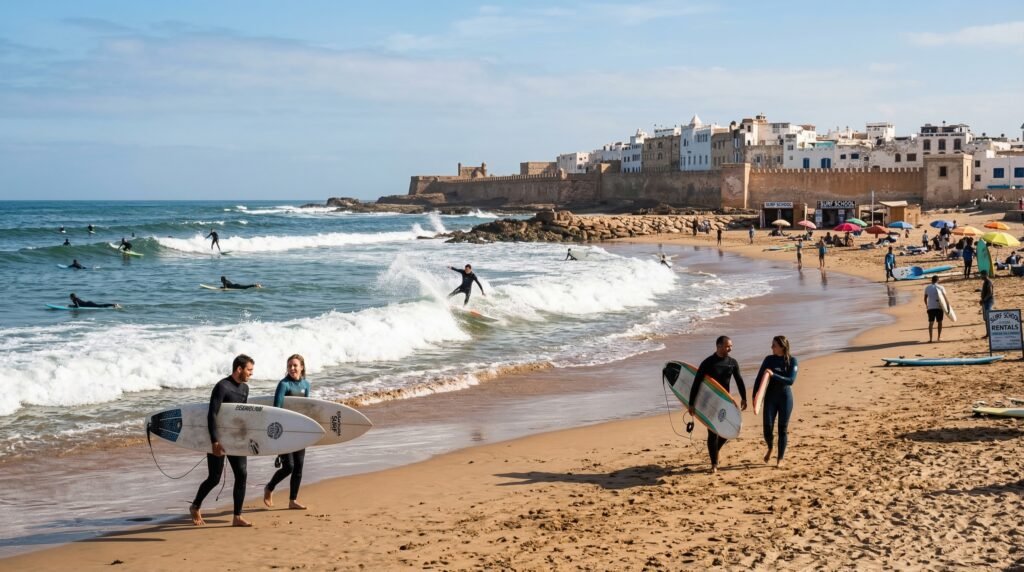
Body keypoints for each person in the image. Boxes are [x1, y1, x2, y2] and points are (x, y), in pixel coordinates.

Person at [190, 354, 253, 527]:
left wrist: (245, 438)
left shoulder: (245, 389)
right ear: (239, 369)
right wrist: (215, 441)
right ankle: (195, 506)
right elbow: (212, 415)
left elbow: (242, 416)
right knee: (215, 477)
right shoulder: (222, 387)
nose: (251, 374)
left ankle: (237, 516)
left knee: (242, 474)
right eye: (249, 370)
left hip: (235, 440)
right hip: (219, 439)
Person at [688, 336, 747, 474]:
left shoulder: (732, 363)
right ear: (718, 346)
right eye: (727, 346)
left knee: (729, 429)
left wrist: (744, 398)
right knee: (713, 432)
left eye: (731, 346)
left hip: (725, 401)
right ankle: (714, 464)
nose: (730, 349)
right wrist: (691, 403)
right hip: (710, 402)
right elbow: (696, 383)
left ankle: (716, 450)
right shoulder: (708, 363)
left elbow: (739, 380)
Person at [264, 354, 311, 511]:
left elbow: (307, 407)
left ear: (302, 367)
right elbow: (277, 408)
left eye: (295, 365)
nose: (292, 368)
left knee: (299, 466)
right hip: (285, 430)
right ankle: (270, 487)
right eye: (289, 365)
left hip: (299, 430)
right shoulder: (284, 385)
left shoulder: (306, 384)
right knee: (288, 466)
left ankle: (293, 500)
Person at [754, 335, 798, 468]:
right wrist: (755, 397)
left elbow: (790, 380)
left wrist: (774, 375)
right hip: (770, 398)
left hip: (785, 398)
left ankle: (780, 459)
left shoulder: (792, 361)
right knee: (767, 429)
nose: (771, 347)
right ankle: (770, 447)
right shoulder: (769, 360)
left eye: (774, 345)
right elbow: (759, 379)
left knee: (782, 429)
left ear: (782, 347)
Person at [923, 276, 947, 343]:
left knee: (931, 323)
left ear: (932, 280)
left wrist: (927, 306)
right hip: (939, 307)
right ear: (938, 280)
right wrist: (947, 306)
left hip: (931, 307)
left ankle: (930, 339)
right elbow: (944, 298)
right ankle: (939, 337)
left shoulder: (927, 287)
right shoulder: (941, 287)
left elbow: (925, 298)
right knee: (939, 322)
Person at [980, 271, 994, 338]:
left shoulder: (988, 282)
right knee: (986, 318)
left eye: (982, 275)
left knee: (988, 318)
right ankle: (988, 333)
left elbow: (990, 293)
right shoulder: (985, 282)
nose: (981, 276)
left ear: (985, 275)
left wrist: (984, 300)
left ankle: (990, 333)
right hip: (986, 302)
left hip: (988, 302)